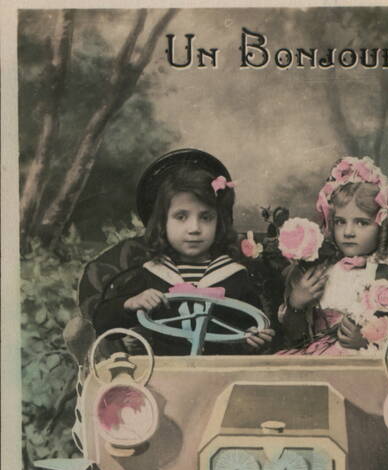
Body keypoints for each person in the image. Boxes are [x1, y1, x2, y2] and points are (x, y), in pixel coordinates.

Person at [88, 149, 274, 355]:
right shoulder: (150, 275)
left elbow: (250, 326)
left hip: (220, 375)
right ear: (162, 223)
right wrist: (130, 303)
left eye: (205, 217)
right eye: (181, 217)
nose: (194, 228)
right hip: (164, 376)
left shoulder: (235, 276)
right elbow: (103, 323)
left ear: (219, 223)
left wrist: (251, 339)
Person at [278, 156, 388, 356]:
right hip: (321, 363)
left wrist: (371, 340)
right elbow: (297, 340)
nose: (348, 232)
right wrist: (296, 304)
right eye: (339, 222)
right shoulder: (323, 272)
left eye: (361, 223)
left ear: (382, 224)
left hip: (372, 368)